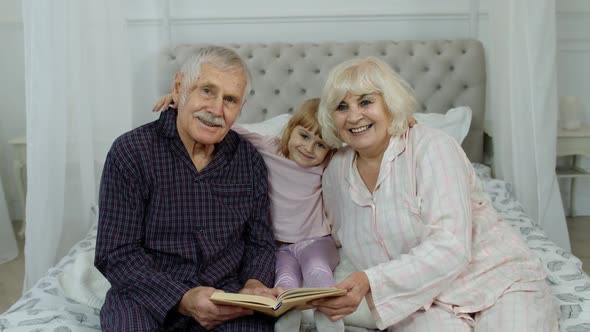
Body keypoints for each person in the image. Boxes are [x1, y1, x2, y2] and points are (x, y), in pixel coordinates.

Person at [311, 57, 559, 331]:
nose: (354, 116)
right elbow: (331, 235)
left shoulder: (432, 147)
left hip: (496, 278)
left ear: (390, 105)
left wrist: (371, 281)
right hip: (420, 299)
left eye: (366, 102)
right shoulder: (335, 172)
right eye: (342, 106)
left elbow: (451, 245)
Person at [95, 46, 280, 331]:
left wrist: (254, 283)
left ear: (240, 108)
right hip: (146, 294)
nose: (216, 110)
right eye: (207, 90)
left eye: (230, 100)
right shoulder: (131, 152)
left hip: (225, 295)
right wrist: (183, 297)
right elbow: (117, 252)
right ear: (179, 87)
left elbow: (260, 242)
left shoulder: (249, 159)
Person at [153, 96, 345, 332]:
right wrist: (182, 105)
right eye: (304, 136)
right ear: (291, 128)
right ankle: (287, 324)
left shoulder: (327, 163)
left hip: (316, 239)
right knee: (285, 284)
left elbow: (357, 147)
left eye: (320, 144)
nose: (309, 148)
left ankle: (332, 323)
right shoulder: (268, 146)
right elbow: (224, 126)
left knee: (317, 269)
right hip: (280, 246)